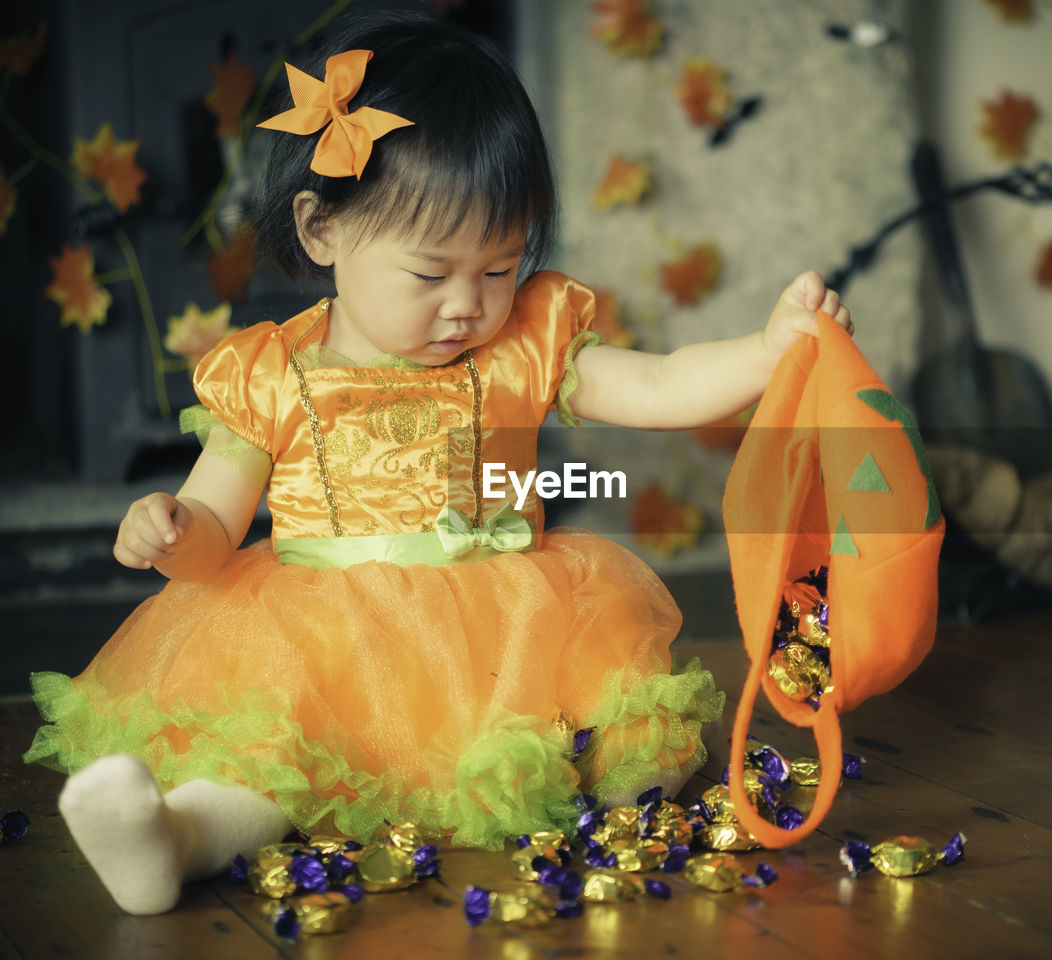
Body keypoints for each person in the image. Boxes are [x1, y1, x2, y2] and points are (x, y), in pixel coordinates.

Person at [23, 11, 853, 915]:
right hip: (318, 646)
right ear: (322, 230)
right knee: (268, 765)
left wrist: (770, 351)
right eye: (430, 275)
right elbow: (214, 532)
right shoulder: (273, 373)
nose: (468, 306)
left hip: (507, 638)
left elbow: (656, 385)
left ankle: (600, 801)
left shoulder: (522, 344)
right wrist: (171, 533)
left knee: (612, 746)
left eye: (499, 268)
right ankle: (174, 836)